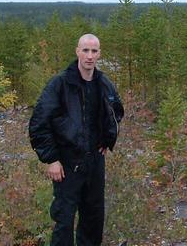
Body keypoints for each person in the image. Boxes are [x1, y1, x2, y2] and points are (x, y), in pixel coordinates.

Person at [29, 33, 124, 246]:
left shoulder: (103, 83)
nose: (90, 56)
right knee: (64, 222)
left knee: (93, 220)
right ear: (77, 51)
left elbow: (116, 111)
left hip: (94, 163)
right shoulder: (60, 84)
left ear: (99, 54)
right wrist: (51, 159)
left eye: (94, 51)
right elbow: (38, 123)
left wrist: (107, 140)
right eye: (86, 50)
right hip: (67, 164)